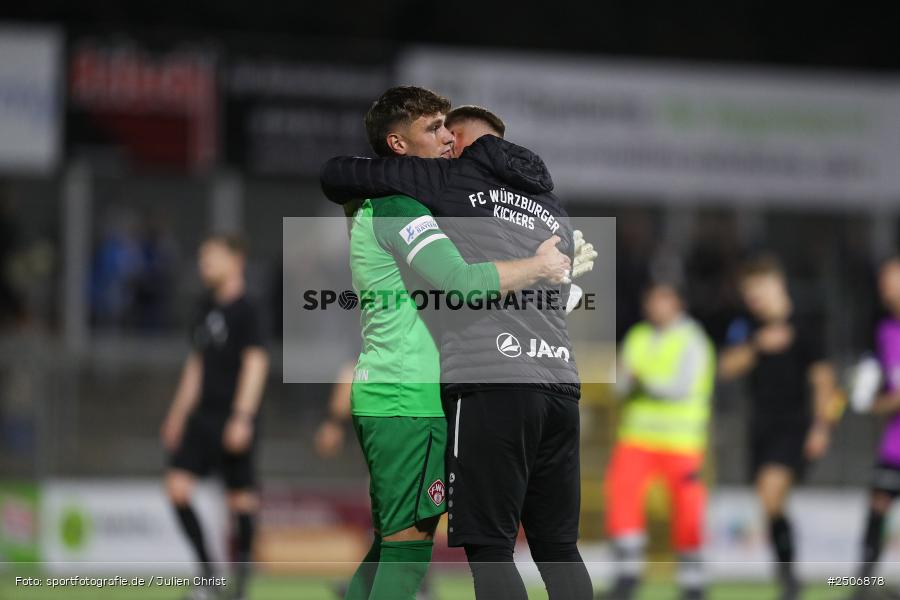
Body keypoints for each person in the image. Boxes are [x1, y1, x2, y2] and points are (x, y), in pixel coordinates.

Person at [321, 96, 594, 600]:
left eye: (450, 129)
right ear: (398, 145)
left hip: (425, 388)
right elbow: (462, 282)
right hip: (409, 391)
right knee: (410, 550)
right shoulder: (402, 205)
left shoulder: (427, 198)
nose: (448, 139)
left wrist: (552, 280)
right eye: (435, 129)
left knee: (396, 545)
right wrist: (543, 267)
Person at [718, 255, 839, 600]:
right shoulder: (746, 327)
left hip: (795, 427)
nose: (753, 298)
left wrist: (822, 427)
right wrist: (758, 345)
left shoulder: (806, 326)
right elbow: (725, 367)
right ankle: (789, 576)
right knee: (770, 502)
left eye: (758, 290)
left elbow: (824, 381)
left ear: (777, 284)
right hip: (760, 427)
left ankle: (789, 579)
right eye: (748, 293)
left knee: (771, 491)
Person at [160, 234, 269, 600]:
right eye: (201, 257)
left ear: (236, 260)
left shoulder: (249, 310)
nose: (203, 264)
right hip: (202, 416)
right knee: (176, 488)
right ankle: (209, 578)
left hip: (233, 415)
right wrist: (177, 415)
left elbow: (255, 364)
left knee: (240, 502)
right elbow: (197, 365)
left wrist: (242, 417)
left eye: (211, 257)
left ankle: (242, 588)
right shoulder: (204, 307)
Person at [604, 281, 714, 600]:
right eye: (651, 301)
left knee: (687, 511)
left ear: (678, 303)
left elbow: (680, 387)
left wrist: (641, 379)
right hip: (636, 437)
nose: (654, 307)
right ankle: (627, 577)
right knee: (622, 500)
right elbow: (616, 383)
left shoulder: (693, 340)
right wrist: (628, 380)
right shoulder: (637, 336)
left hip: (681, 442)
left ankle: (693, 584)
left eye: (662, 300)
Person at [848, 256, 900, 600]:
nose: (886, 287)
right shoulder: (884, 332)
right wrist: (868, 400)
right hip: (895, 444)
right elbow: (881, 399)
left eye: (892, 279)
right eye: (883, 281)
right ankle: (863, 587)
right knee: (877, 506)